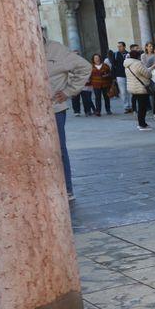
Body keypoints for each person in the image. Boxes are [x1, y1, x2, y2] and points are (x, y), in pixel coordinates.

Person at [45, 26, 92, 199]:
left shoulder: (56, 49)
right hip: (29, 110)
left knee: (59, 148)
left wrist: (68, 91)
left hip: (54, 108)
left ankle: (67, 188)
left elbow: (85, 68)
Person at [124, 45, 155, 131]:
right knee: (142, 107)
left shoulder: (127, 64)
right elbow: (147, 74)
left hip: (133, 87)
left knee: (140, 106)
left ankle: (141, 123)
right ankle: (142, 124)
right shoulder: (137, 64)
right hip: (141, 88)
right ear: (137, 56)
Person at [109, 41, 131, 112]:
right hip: (120, 76)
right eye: (118, 46)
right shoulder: (115, 54)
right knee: (123, 92)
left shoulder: (129, 54)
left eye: (120, 46)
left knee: (130, 91)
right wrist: (113, 77)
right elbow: (113, 66)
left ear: (124, 47)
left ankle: (132, 106)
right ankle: (126, 106)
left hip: (129, 75)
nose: (119, 48)